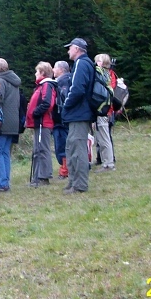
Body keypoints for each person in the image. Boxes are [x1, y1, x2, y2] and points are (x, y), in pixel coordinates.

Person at [60, 38, 95, 194]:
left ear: (76, 49)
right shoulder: (85, 63)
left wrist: (66, 104)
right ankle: (73, 181)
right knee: (71, 146)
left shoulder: (82, 64)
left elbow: (77, 89)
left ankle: (80, 185)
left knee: (78, 148)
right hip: (80, 112)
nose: (68, 51)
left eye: (70, 48)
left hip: (79, 112)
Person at [0, 58, 21, 194]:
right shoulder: (14, 82)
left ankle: (2, 183)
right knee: (5, 152)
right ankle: (5, 182)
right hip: (13, 121)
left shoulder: (0, 81)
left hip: (2, 121)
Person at [26, 61, 57, 187]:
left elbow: (47, 103)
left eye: (37, 71)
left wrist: (35, 113)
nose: (35, 74)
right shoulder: (41, 86)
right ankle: (38, 176)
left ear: (42, 73)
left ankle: (43, 177)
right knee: (38, 149)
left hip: (43, 122)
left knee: (42, 149)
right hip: (40, 122)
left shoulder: (47, 85)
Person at [93, 53, 116, 172]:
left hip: (105, 110)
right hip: (104, 109)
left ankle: (109, 163)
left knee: (104, 137)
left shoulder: (106, 75)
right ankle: (105, 162)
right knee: (101, 137)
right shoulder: (106, 74)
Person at [53, 61, 72, 179]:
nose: (53, 70)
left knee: (62, 144)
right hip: (69, 118)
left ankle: (65, 171)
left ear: (61, 69)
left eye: (54, 67)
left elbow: (63, 100)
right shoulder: (72, 78)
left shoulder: (62, 81)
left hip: (61, 119)